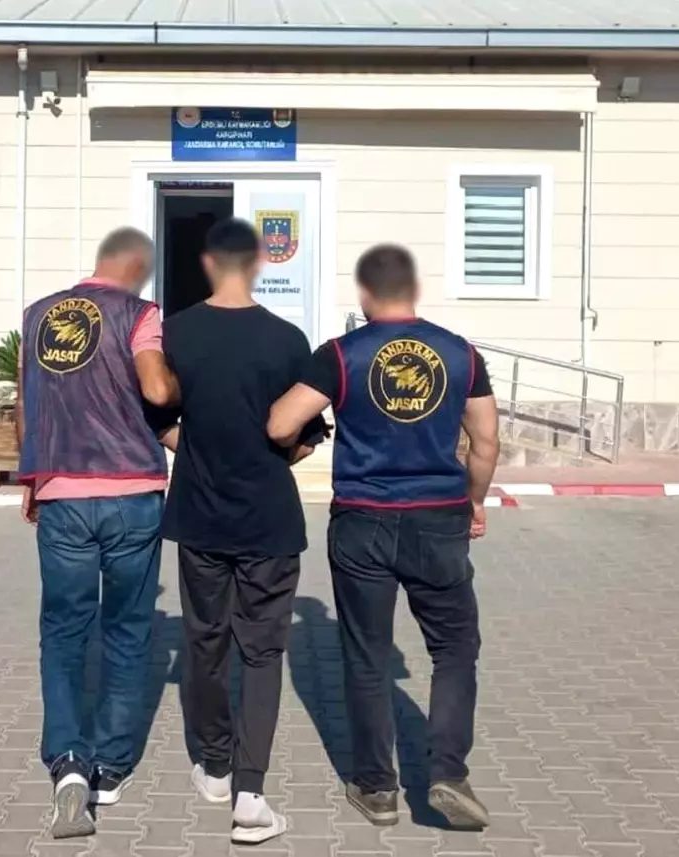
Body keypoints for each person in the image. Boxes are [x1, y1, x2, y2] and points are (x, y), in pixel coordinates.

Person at [266, 243, 499, 831]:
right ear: (414, 291)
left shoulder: (341, 355)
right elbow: (486, 442)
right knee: (454, 648)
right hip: (439, 519)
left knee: (366, 656)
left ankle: (376, 790)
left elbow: (280, 422)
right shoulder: (460, 353)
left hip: (362, 519)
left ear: (365, 294)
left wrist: (310, 434)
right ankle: (448, 773)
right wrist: (474, 501)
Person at [155, 218, 327, 845]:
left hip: (200, 516)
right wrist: (268, 456)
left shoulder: (175, 333)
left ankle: (215, 766)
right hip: (268, 521)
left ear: (207, 263)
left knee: (205, 641)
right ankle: (251, 796)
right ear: (258, 264)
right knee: (262, 652)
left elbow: (158, 420)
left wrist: (200, 448)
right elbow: (304, 437)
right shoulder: (288, 339)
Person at [17, 227, 179, 839]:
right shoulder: (139, 313)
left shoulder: (38, 315)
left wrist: (32, 481)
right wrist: (178, 385)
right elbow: (156, 388)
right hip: (131, 491)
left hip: (62, 489)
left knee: (63, 631)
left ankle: (67, 763)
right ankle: (110, 767)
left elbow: (27, 403)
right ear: (137, 268)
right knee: (128, 631)